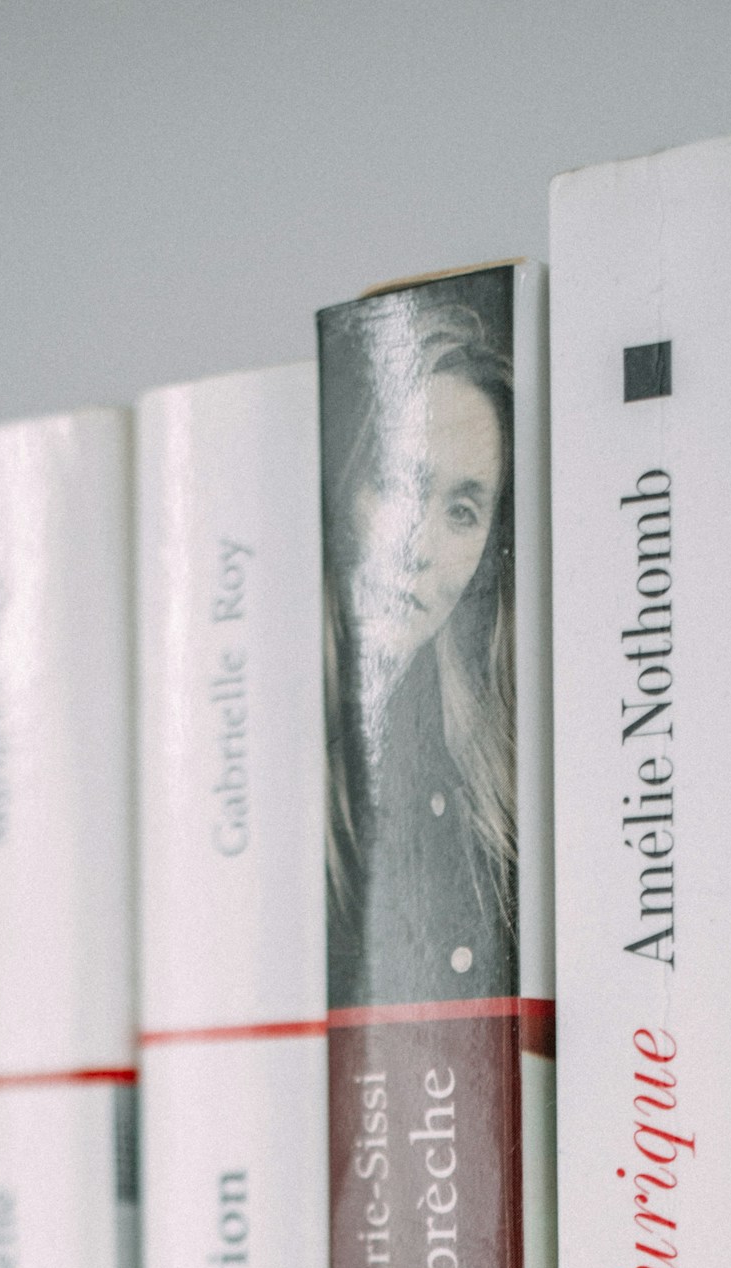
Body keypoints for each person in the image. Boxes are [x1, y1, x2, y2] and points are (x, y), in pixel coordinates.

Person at [322, 277, 518, 1009]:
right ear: (346, 484)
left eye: (461, 511)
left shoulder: (489, 762)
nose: (419, 548)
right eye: (398, 485)